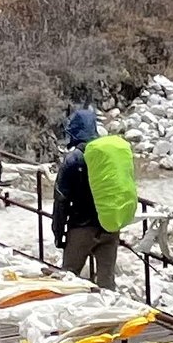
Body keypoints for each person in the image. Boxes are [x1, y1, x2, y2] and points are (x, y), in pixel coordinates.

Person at [54, 102, 135, 288]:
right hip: (109, 225)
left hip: (81, 228)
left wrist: (59, 233)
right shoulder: (109, 153)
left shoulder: (74, 158)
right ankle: (111, 314)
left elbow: (61, 199)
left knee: (68, 279)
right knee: (107, 282)